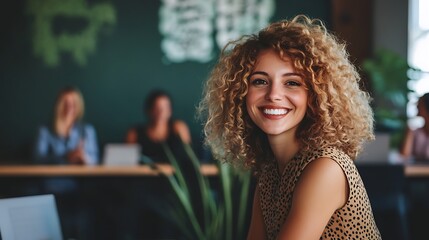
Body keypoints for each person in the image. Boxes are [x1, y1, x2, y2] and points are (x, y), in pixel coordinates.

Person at [199, 15, 381, 239]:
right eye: (260, 81)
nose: (274, 95)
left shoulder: (325, 167)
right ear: (241, 93)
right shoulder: (270, 174)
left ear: (314, 95)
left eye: (292, 83)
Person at [33, 86, 98, 239]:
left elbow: (95, 160)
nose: (70, 107)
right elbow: (37, 160)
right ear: (58, 105)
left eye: (73, 103)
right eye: (65, 102)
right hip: (48, 186)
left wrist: (84, 159)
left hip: (78, 187)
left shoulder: (86, 131)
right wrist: (65, 157)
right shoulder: (45, 130)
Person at [126, 89, 191, 162]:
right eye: (157, 108)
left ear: (170, 110)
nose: (161, 112)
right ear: (149, 110)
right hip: (143, 173)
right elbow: (127, 162)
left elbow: (189, 157)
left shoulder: (178, 128)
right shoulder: (135, 133)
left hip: (176, 173)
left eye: (165, 108)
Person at [400, 93, 429, 161]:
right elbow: (404, 155)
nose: (417, 106)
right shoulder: (415, 132)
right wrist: (409, 133)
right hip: (417, 170)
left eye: (420, 104)